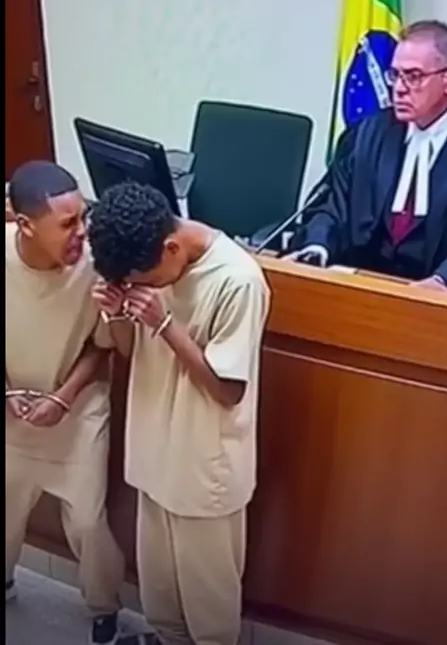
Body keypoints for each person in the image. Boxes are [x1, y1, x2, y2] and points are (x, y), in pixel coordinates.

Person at [89, 182, 271, 645]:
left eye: (145, 280)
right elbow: (129, 352)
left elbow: (228, 390)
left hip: (203, 468)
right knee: (161, 600)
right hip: (154, 456)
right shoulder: (151, 264)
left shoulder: (238, 281)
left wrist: (166, 325)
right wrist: (117, 314)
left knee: (209, 609)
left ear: (171, 248)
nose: (144, 288)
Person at [5, 161, 124, 645]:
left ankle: (104, 608)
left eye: (83, 218)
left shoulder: (96, 266)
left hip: (78, 409)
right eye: (68, 223)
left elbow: (101, 346)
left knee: (88, 522)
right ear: (25, 225)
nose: (82, 233)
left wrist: (62, 397)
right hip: (14, 408)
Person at [291, 20, 447, 296]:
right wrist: (317, 247)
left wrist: (445, 281)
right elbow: (331, 205)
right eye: (395, 75)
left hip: (444, 304)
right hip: (362, 293)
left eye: (413, 76)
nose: (399, 88)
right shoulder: (370, 133)